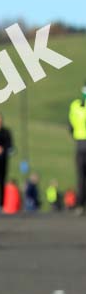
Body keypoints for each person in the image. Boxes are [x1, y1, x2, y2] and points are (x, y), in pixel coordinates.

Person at [68, 83, 86, 215]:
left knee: (81, 176)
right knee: (81, 176)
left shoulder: (75, 106)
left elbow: (70, 126)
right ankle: (80, 204)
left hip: (80, 143)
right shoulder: (76, 106)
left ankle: (80, 204)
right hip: (81, 143)